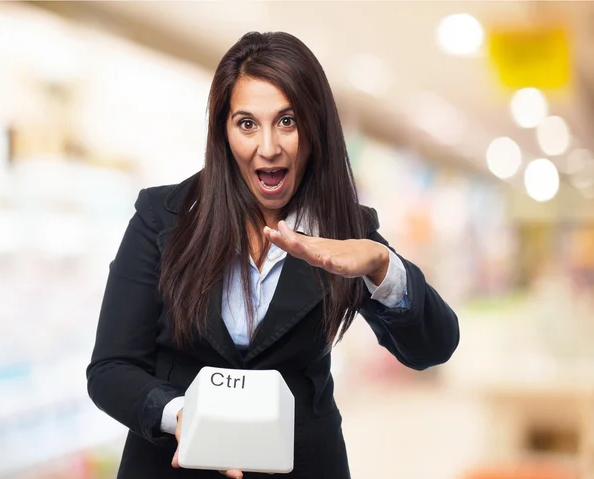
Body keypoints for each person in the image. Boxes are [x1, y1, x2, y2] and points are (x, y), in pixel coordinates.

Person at [86, 31, 460, 479]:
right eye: (247, 124)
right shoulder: (163, 216)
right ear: (224, 133)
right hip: (171, 465)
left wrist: (382, 266)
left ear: (315, 127)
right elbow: (110, 369)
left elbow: (434, 347)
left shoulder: (346, 231)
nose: (268, 147)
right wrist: (181, 414)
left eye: (287, 121)